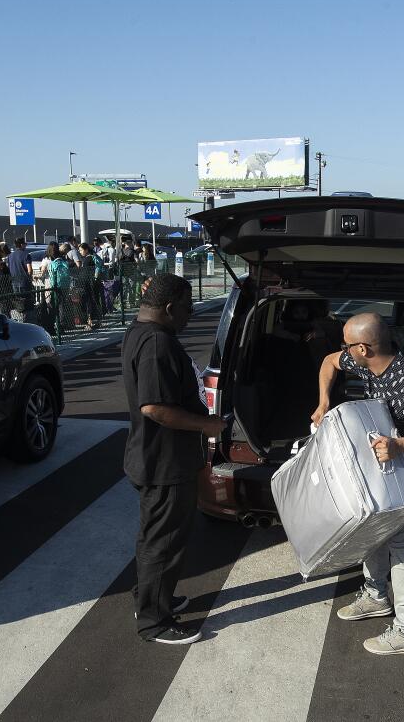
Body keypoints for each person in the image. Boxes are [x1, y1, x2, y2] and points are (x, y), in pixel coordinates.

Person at [310, 313, 404, 655]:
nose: (344, 351)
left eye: (347, 345)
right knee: (376, 528)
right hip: (399, 466)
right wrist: (323, 402)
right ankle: (377, 596)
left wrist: (399, 446)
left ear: (363, 347)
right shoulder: (364, 360)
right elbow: (328, 362)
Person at [122, 274, 225, 644]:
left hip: (154, 458)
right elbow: (155, 407)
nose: (191, 313)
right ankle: (154, 621)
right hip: (164, 462)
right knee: (164, 541)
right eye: (186, 306)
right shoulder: (156, 344)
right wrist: (207, 425)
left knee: (155, 537)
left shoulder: (140, 331)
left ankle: (151, 597)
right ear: (169, 308)